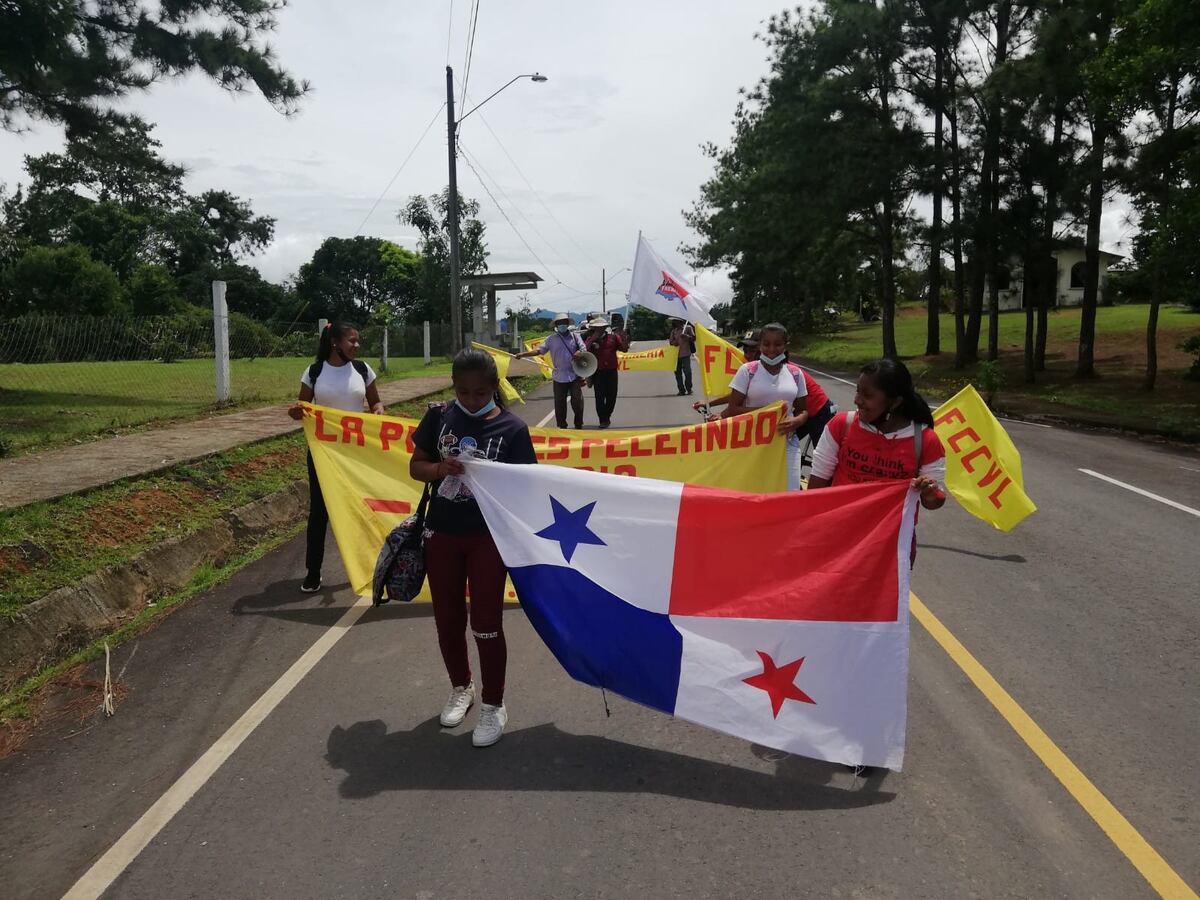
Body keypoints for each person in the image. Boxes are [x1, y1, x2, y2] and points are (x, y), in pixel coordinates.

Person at [410, 348, 538, 747]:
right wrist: (439, 469)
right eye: (463, 393)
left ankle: (492, 704)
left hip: (487, 539)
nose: (471, 401)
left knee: (485, 624)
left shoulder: (513, 429)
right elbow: (417, 465)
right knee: (447, 620)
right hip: (441, 535)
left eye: (481, 394)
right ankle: (461, 687)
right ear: (453, 387)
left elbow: (526, 487)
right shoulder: (438, 415)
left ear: (495, 388)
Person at [288, 322, 384, 593]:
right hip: (323, 454)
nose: (357, 346)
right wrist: (296, 412)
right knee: (319, 512)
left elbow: (376, 402)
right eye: (352, 341)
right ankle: (313, 571)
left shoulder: (363, 370)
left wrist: (378, 411)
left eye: (358, 341)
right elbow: (302, 406)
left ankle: (370, 566)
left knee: (361, 508)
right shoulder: (314, 372)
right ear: (335, 343)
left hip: (356, 453)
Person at [806, 357, 946, 513]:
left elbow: (935, 501)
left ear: (895, 402)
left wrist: (930, 493)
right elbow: (817, 484)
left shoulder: (926, 441)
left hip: (891, 535)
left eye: (867, 395)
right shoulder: (841, 425)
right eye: (858, 391)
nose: (857, 400)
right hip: (839, 529)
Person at [721, 323, 809, 491]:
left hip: (786, 445)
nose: (772, 349)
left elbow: (803, 410)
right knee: (755, 494)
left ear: (785, 345)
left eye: (778, 344)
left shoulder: (796, 374)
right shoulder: (748, 371)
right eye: (766, 344)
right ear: (760, 345)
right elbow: (733, 409)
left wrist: (796, 421)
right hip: (752, 446)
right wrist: (768, 414)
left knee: (789, 494)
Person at [515, 312, 586, 428]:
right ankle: (562, 426)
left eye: (564, 322)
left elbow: (583, 348)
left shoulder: (575, 336)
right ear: (556, 325)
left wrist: (580, 352)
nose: (562, 325)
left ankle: (578, 424)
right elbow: (539, 351)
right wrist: (523, 354)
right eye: (559, 323)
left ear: (567, 323)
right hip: (559, 375)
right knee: (559, 403)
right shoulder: (551, 339)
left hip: (574, 374)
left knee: (577, 401)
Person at [695, 330, 761, 416]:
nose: (747, 355)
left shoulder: (775, 372)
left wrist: (722, 414)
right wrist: (711, 404)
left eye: (752, 351)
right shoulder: (749, 371)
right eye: (745, 351)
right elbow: (738, 396)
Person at [585, 315, 628, 428]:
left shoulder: (613, 338)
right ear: (594, 328)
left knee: (612, 396)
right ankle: (602, 420)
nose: (600, 330)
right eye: (597, 328)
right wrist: (593, 338)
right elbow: (584, 351)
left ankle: (607, 416)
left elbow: (624, 349)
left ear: (605, 327)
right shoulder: (590, 339)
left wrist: (624, 337)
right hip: (598, 372)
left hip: (612, 372)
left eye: (601, 327)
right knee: (599, 397)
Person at [668, 317, 696, 395]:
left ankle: (689, 388)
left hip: (686, 353)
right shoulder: (674, 331)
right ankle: (681, 390)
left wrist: (687, 337)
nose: (674, 322)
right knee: (677, 372)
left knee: (688, 372)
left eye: (676, 321)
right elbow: (671, 342)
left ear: (680, 321)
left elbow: (694, 338)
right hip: (676, 355)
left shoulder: (688, 328)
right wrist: (675, 342)